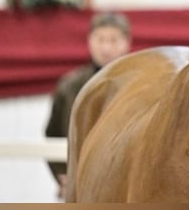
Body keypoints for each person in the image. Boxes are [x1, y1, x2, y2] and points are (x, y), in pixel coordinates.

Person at [45, 11, 132, 198]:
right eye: (100, 39)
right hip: (80, 184)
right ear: (89, 41)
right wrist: (63, 176)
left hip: (127, 183)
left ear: (126, 43)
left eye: (113, 40)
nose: (106, 48)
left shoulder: (139, 85)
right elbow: (52, 134)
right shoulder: (69, 86)